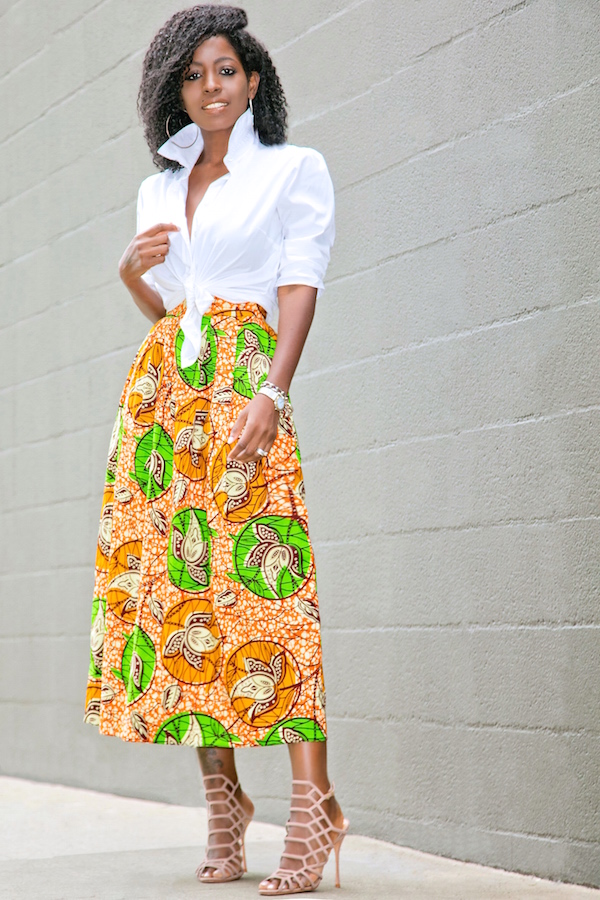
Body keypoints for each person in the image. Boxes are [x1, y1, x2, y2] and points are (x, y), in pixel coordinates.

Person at [83, 4, 348, 895]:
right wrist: (131, 279)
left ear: (254, 79)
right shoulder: (160, 188)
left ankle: (314, 809)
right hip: (167, 400)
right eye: (193, 75)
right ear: (175, 91)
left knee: (272, 593)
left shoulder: (293, 171)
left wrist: (274, 391)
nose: (210, 87)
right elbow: (172, 314)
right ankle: (225, 806)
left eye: (225, 70)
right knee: (188, 603)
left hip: (245, 386)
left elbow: (298, 285)